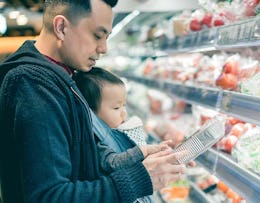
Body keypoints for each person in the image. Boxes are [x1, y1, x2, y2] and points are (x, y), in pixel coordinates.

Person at [0, 0, 186, 203]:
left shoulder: (61, 78)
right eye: (97, 35)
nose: (104, 48)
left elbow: (83, 159)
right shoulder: (34, 85)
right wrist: (140, 178)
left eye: (107, 38)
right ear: (61, 28)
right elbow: (50, 197)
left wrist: (138, 156)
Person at [73, 67, 166, 203]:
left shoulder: (111, 133)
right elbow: (113, 162)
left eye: (124, 106)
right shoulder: (96, 142)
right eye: (117, 108)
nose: (124, 113)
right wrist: (142, 151)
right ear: (92, 114)